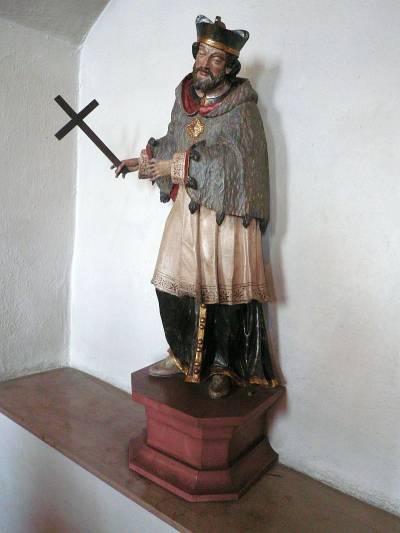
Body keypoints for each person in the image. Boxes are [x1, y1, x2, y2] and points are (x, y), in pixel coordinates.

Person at [115, 15, 279, 399]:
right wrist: (141, 161)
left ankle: (223, 366)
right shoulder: (184, 100)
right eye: (201, 54)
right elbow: (175, 143)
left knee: (224, 288)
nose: (204, 64)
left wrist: (176, 167)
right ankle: (182, 353)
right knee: (169, 283)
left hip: (226, 214)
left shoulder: (242, 108)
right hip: (188, 208)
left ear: (229, 67)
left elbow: (238, 162)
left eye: (215, 59)